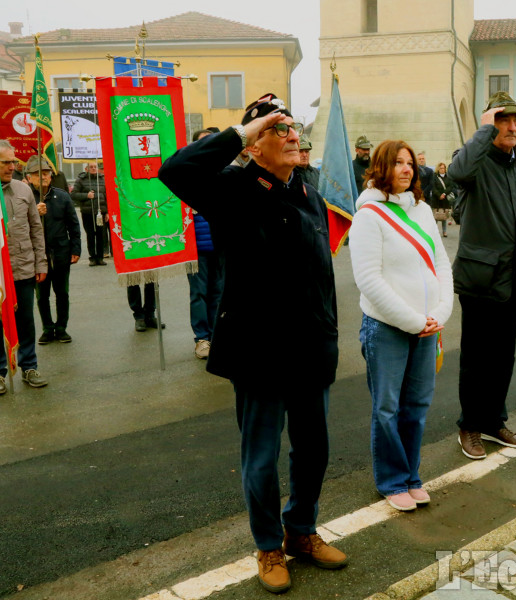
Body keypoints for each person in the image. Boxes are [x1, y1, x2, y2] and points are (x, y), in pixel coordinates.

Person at [158, 92, 347, 594]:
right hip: (260, 354)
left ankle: (301, 531)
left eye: (291, 128)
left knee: (314, 451)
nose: (290, 137)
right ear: (254, 145)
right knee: (261, 459)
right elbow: (174, 171)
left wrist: (330, 333)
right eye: (276, 130)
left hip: (309, 349)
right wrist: (242, 131)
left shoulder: (307, 193)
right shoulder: (231, 189)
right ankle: (268, 546)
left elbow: (321, 275)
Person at [349, 140, 453, 512]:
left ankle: (411, 476)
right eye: (398, 163)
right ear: (381, 168)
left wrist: (440, 313)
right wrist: (413, 320)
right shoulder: (368, 217)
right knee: (387, 408)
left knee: (417, 405)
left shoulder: (423, 211)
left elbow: (441, 264)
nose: (407, 169)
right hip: (388, 328)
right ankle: (392, 481)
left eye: (410, 163)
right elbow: (368, 280)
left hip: (426, 327)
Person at [448, 91, 516, 460]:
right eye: (504, 120)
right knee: (477, 357)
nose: (512, 127)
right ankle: (470, 425)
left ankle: (493, 420)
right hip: (482, 279)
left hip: (515, 276)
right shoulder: (472, 158)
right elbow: (458, 173)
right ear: (489, 124)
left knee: (504, 356)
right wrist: (483, 133)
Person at [0, 141, 48, 390]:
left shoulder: (24, 190)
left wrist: (41, 262)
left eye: (13, 161)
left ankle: (29, 366)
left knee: (26, 320)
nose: (12, 167)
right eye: (6, 162)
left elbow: (35, 229)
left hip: (24, 268)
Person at [25, 156, 81, 344]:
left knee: (62, 292)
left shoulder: (62, 196)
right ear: (29, 177)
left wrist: (76, 249)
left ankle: (61, 327)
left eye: (46, 173)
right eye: (37, 174)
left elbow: (73, 225)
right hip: (37, 255)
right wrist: (34, 211)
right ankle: (47, 328)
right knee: (42, 295)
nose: (43, 177)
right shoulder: (26, 198)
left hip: (61, 252)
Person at [187, 128, 225, 359]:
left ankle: (217, 335)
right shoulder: (187, 172)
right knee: (199, 293)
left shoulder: (223, 171)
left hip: (221, 243)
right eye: (204, 142)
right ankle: (202, 338)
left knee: (219, 293)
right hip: (196, 245)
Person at [71, 161, 108, 266]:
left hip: (100, 213)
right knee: (90, 235)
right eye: (91, 167)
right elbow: (73, 195)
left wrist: (107, 212)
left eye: (95, 167)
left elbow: (107, 196)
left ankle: (100, 257)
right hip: (87, 213)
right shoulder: (80, 180)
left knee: (101, 235)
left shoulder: (102, 179)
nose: (93, 169)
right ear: (86, 169)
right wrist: (86, 195)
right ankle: (92, 257)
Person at [431, 161, 455, 237]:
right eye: (441, 168)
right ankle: (434, 232)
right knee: (436, 216)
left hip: (445, 199)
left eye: (444, 168)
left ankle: (444, 232)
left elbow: (450, 186)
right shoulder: (434, 177)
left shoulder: (448, 176)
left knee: (444, 216)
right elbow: (433, 188)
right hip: (436, 199)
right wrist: (439, 195)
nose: (442, 169)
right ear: (438, 169)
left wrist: (444, 194)